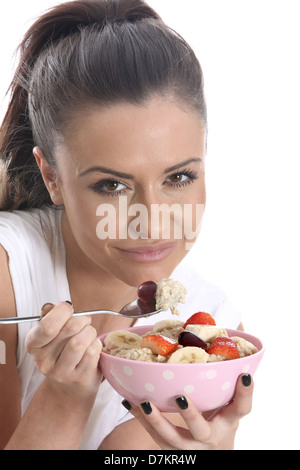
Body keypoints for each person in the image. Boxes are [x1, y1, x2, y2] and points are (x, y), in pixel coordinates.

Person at [0, 0, 253, 450]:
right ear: (51, 178)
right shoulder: (7, 274)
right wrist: (63, 397)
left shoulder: (209, 329)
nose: (153, 219)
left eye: (179, 177)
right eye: (111, 185)